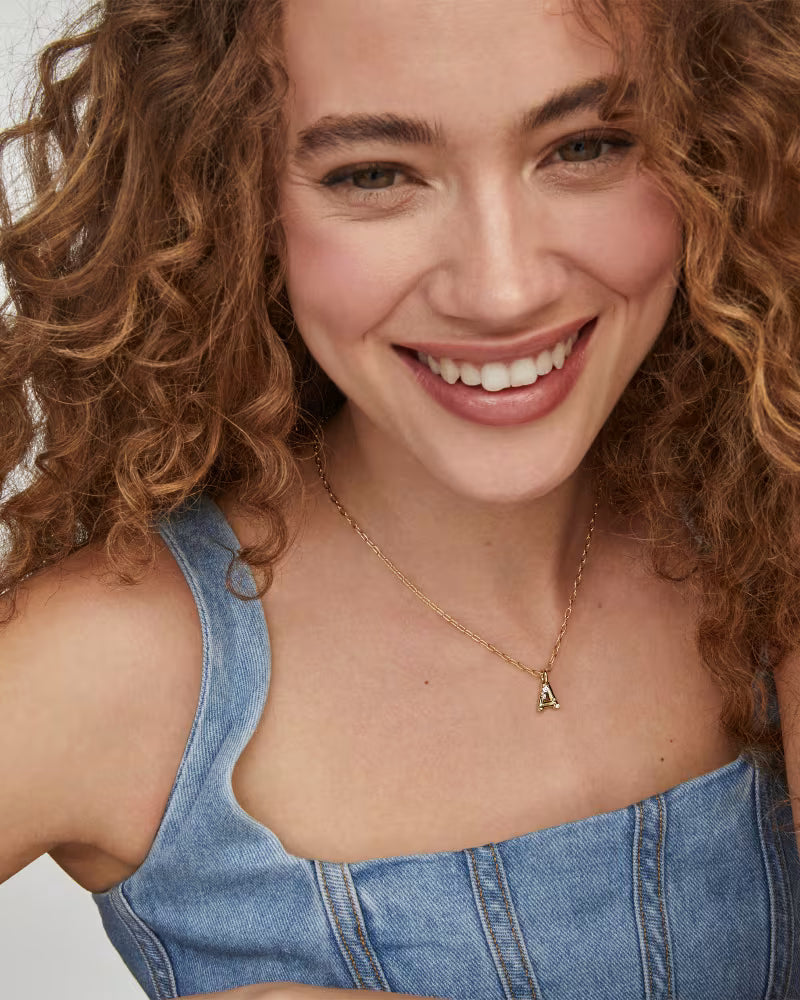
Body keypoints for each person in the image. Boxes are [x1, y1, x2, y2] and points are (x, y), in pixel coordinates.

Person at [1, 0, 799, 997]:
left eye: (585, 145)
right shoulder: (118, 659)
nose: (502, 289)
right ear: (226, 192)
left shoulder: (765, 525)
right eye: (371, 174)